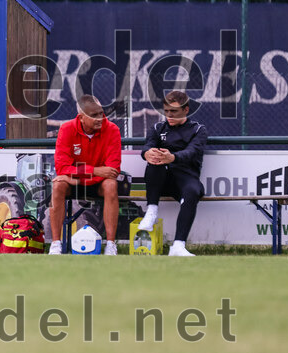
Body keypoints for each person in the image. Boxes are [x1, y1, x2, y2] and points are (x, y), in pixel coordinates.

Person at [47, 95, 122, 255]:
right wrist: (94, 170)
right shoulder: (66, 129)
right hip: (76, 182)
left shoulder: (113, 130)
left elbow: (113, 170)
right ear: (81, 118)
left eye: (101, 113)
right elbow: (62, 167)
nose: (100, 118)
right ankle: (55, 244)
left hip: (95, 184)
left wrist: (74, 176)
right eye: (94, 115)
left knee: (111, 184)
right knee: (58, 185)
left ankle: (110, 245)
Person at [137, 91, 208, 257]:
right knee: (155, 161)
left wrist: (173, 157)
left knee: (193, 191)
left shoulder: (198, 129)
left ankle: (178, 246)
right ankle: (152, 211)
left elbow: (192, 152)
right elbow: (148, 146)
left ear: (186, 110)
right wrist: (146, 153)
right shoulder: (157, 127)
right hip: (161, 181)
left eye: (174, 111)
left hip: (186, 179)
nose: (169, 115)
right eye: (166, 111)